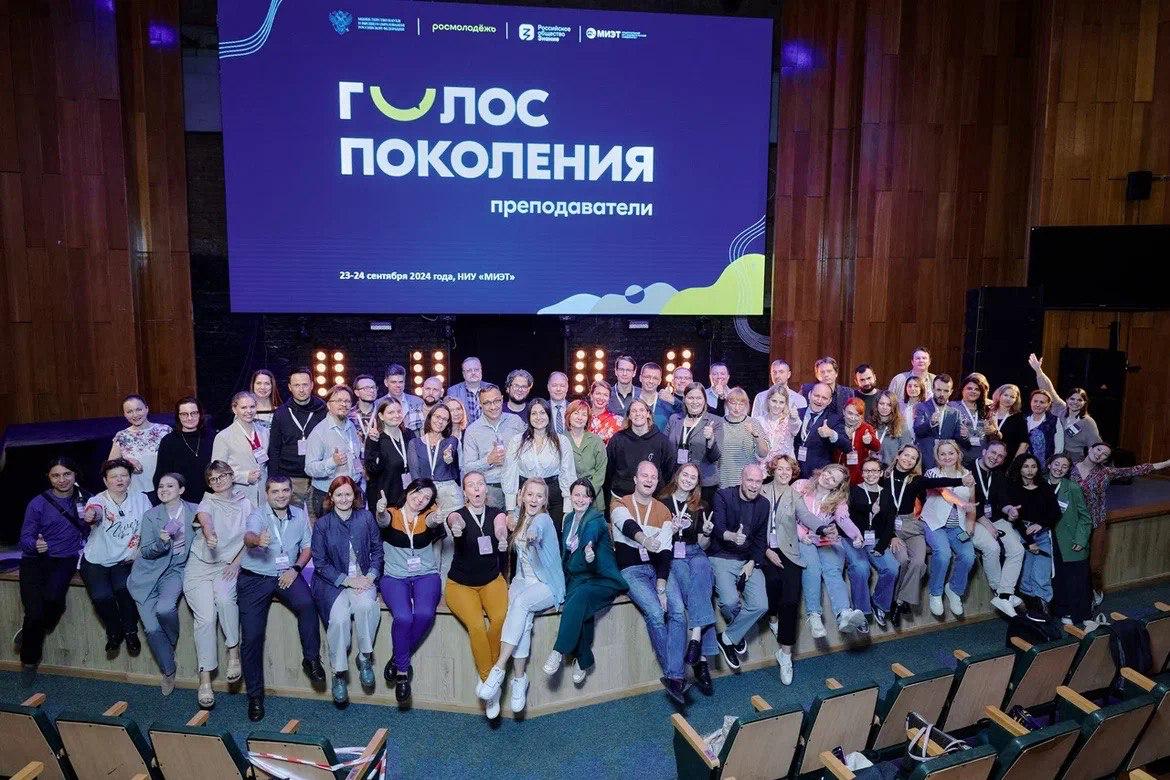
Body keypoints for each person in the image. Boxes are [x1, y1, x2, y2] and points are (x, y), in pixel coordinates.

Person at [238, 475, 324, 721]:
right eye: (275, 491)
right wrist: (257, 540)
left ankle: (311, 659)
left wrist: (295, 569)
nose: (281, 495)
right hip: (255, 577)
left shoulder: (299, 514)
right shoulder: (258, 515)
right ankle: (255, 696)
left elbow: (307, 548)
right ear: (267, 494)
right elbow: (248, 536)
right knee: (252, 637)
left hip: (287, 574)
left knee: (307, 604)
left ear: (290, 491)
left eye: (285, 490)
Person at [477, 479, 566, 714]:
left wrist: (533, 536)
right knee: (521, 619)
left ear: (545, 500)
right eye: (530, 494)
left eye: (539, 496)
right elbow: (512, 521)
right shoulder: (518, 516)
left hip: (547, 584)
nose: (534, 500)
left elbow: (537, 531)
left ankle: (498, 668)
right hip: (522, 580)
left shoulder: (543, 520)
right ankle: (519, 679)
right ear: (522, 496)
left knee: (521, 603)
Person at [611, 462, 688, 704]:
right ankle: (676, 675)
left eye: (653, 477)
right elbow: (627, 526)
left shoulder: (663, 510)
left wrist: (662, 586)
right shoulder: (620, 503)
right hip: (631, 570)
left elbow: (664, 552)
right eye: (644, 475)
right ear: (635, 479)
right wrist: (644, 540)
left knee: (678, 611)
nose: (649, 480)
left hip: (657, 570)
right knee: (655, 612)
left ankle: (673, 677)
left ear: (657, 482)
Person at [544, 479, 628, 686]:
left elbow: (590, 536)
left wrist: (588, 549)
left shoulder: (595, 519)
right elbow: (565, 552)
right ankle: (584, 659)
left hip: (602, 578)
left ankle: (558, 651)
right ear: (570, 496)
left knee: (580, 597)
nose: (580, 499)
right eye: (577, 495)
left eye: (585, 496)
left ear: (591, 499)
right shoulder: (568, 518)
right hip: (578, 577)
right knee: (580, 607)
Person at [16, 457, 90, 684]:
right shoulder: (38, 503)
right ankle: (29, 662)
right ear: (49, 478)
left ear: (75, 475)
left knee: (53, 601)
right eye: (56, 475)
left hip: (65, 560)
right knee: (34, 612)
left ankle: (30, 631)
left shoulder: (87, 499)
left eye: (67, 474)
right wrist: (34, 544)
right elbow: (25, 538)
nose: (62, 479)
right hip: (35, 561)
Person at [311, 476, 383, 707]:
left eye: (348, 494)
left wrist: (370, 576)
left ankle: (364, 657)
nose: (344, 499)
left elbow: (377, 551)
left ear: (355, 496)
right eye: (339, 494)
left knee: (367, 607)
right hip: (332, 583)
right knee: (339, 620)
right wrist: (348, 581)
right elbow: (320, 563)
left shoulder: (366, 518)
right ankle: (338, 672)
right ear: (331, 497)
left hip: (363, 578)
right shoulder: (323, 524)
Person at [185, 459, 251, 708]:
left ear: (231, 476)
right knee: (205, 619)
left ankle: (234, 653)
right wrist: (210, 534)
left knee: (225, 600)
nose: (218, 481)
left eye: (222, 476)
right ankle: (204, 681)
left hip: (226, 566)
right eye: (212, 479)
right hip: (200, 566)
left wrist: (237, 563)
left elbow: (251, 537)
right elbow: (205, 519)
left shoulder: (246, 503)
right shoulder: (208, 501)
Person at [445, 471, 510, 719]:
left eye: (480, 484)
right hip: (460, 585)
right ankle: (490, 684)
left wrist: (502, 537)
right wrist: (457, 527)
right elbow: (454, 521)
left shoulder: (496, 513)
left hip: (492, 580)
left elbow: (500, 527)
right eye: (470, 485)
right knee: (476, 626)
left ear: (486, 489)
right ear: (465, 492)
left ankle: (491, 676)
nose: (476, 488)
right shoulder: (458, 515)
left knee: (500, 619)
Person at [1072, 442, 1170, 606]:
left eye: (1104, 454)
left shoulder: (1106, 472)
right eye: (1098, 449)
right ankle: (1074, 597)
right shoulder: (1070, 468)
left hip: (1096, 522)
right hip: (1074, 524)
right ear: (1090, 449)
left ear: (1105, 460)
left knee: (1095, 565)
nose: (1099, 454)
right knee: (1074, 564)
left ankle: (1096, 590)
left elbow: (1136, 470)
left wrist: (1166, 463)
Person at [375, 478, 445, 704]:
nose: (420, 499)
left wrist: (437, 518)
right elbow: (383, 520)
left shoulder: (428, 515)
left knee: (425, 614)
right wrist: (379, 511)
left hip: (426, 575)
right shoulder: (392, 513)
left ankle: (397, 659)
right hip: (394, 577)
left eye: (427, 497)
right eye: (418, 492)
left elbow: (433, 521)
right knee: (403, 617)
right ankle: (403, 674)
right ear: (408, 490)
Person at [883, 444, 966, 627]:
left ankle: (900, 601)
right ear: (898, 455)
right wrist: (891, 535)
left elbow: (937, 482)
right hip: (890, 526)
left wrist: (961, 481)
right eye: (906, 455)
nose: (908, 460)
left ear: (916, 463)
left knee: (919, 563)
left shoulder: (916, 480)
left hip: (912, 525)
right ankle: (897, 600)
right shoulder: (884, 477)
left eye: (913, 458)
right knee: (903, 560)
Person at [128, 473, 195, 695]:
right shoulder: (151, 515)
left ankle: (169, 643)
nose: (164, 489)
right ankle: (168, 670)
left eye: (170, 486)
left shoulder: (195, 511)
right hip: (147, 573)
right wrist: (161, 542)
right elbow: (146, 551)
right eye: (160, 486)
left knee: (165, 609)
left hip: (175, 569)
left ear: (181, 490)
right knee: (151, 628)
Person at [81, 458, 149, 658]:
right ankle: (114, 630)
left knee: (124, 591)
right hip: (96, 559)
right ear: (105, 480)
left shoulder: (141, 499)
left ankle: (130, 631)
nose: (119, 480)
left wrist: (139, 551)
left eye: (123, 475)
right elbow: (94, 512)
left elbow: (148, 527)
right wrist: (91, 515)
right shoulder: (97, 501)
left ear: (130, 478)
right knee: (101, 597)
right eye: (113, 477)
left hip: (125, 559)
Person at [660, 462, 718, 693]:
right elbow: (658, 540)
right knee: (698, 590)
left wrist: (707, 533)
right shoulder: (662, 502)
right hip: (673, 555)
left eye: (693, 477)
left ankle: (695, 637)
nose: (688, 479)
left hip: (695, 552)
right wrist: (671, 530)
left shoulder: (701, 506)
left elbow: (703, 545)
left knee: (704, 568)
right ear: (677, 476)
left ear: (697, 483)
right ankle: (701, 659)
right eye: (685, 475)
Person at [709, 463, 770, 671]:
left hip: (748, 560)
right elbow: (718, 529)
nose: (754, 485)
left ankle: (726, 637)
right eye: (750, 480)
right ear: (741, 480)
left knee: (761, 605)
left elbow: (760, 539)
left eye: (758, 481)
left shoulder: (764, 504)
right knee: (729, 602)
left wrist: (752, 563)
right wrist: (733, 536)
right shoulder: (723, 496)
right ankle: (736, 633)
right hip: (722, 557)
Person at [795, 464, 869, 637]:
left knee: (833, 570)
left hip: (826, 538)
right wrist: (800, 535)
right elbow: (788, 514)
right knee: (812, 568)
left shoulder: (838, 499)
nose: (828, 478)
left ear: (837, 486)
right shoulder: (800, 485)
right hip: (803, 537)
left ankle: (844, 613)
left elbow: (843, 519)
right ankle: (814, 615)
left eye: (834, 479)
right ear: (823, 470)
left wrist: (856, 535)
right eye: (828, 472)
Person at [996, 454, 1062, 621]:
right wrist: (1029, 541)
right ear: (1019, 468)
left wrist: (1040, 524)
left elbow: (1055, 511)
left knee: (1042, 576)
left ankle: (1046, 616)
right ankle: (1030, 616)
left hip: (1041, 535)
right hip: (1021, 535)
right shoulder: (1013, 488)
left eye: (1033, 466)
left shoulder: (1044, 486)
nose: (1030, 470)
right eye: (1026, 466)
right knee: (1025, 579)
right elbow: (1014, 518)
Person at [758, 455, 805, 685]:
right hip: (763, 549)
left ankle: (785, 655)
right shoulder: (761, 490)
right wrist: (766, 550)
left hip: (789, 551)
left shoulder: (795, 495)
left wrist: (823, 528)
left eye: (788, 469)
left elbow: (806, 516)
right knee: (772, 582)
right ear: (773, 470)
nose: (784, 472)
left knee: (792, 599)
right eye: (780, 468)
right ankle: (772, 616)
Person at [920, 440, 978, 618]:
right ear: (937, 457)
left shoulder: (967, 474)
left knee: (968, 556)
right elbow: (944, 492)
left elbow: (972, 503)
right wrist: (963, 503)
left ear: (958, 454)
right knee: (943, 554)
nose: (947, 457)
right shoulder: (932, 473)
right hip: (934, 523)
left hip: (957, 526)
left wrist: (970, 526)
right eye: (942, 454)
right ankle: (936, 593)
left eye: (951, 453)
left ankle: (954, 590)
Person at [967, 440, 1025, 618]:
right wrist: (986, 524)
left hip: (995, 519)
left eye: (1000, 456)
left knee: (1017, 549)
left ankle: (1005, 593)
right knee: (992, 547)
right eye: (993, 453)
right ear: (984, 451)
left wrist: (1010, 510)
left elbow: (1003, 502)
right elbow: (967, 504)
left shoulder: (999, 475)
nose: (995, 458)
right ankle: (1000, 593)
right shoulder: (967, 470)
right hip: (971, 519)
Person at [503, 399, 576, 533]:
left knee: (552, 539)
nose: (538, 417)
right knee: (525, 538)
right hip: (526, 497)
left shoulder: (562, 441)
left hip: (554, 497)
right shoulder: (517, 441)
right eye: (534, 413)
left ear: (549, 415)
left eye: (542, 413)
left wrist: (567, 510)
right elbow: (510, 475)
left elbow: (568, 475)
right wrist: (511, 511)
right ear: (529, 417)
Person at [407, 404, 463, 574]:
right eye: (437, 417)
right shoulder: (415, 443)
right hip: (426, 493)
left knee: (451, 542)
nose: (440, 421)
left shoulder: (451, 441)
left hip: (449, 493)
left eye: (445, 419)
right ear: (430, 418)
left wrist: (448, 459)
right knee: (432, 541)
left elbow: (452, 464)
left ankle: (446, 583)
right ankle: (431, 581)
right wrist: (423, 496)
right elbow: (415, 474)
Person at [847, 458, 902, 629]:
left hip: (876, 540)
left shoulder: (887, 494)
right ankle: (861, 612)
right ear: (862, 473)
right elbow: (854, 508)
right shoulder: (853, 490)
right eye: (867, 471)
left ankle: (879, 603)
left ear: (880, 473)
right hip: (853, 539)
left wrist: (881, 546)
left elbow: (889, 524)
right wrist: (870, 508)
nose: (870, 474)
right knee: (861, 569)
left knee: (892, 568)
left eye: (874, 471)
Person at [267, 367, 326, 519]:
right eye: (297, 385)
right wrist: (273, 480)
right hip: (291, 478)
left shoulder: (323, 410)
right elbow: (274, 448)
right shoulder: (281, 413)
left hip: (319, 478)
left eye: (305, 385)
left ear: (312, 385)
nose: (301, 389)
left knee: (318, 522)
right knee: (291, 521)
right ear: (290, 387)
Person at [1046, 455, 1093, 626]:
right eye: (1056, 464)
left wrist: (1081, 540)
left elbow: (1085, 518)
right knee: (1057, 576)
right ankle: (1062, 610)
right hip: (1047, 538)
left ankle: (1080, 614)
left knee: (1075, 578)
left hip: (1069, 538)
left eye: (1064, 466)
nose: (1059, 468)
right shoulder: (1040, 484)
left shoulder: (1072, 487)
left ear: (1068, 470)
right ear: (1049, 465)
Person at [462, 385, 526, 509]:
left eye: (496, 401)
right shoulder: (472, 431)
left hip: (517, 486)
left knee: (518, 521)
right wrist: (489, 460)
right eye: (487, 403)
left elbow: (529, 448)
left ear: (502, 399)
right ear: (480, 404)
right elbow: (468, 468)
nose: (493, 407)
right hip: (490, 492)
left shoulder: (516, 421)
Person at [1029, 353, 1101, 462]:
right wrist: (1038, 371)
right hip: (1054, 456)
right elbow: (1049, 390)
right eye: (1072, 399)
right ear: (1067, 400)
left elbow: (1096, 446)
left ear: (1085, 402)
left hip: (1074, 460)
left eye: (1079, 400)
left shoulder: (1088, 422)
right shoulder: (1060, 409)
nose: (1075, 402)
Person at [305, 384, 365, 515]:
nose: (343, 404)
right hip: (327, 495)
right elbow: (309, 468)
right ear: (328, 405)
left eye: (347, 401)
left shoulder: (351, 427)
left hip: (351, 492)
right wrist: (332, 462)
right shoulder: (319, 432)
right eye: (338, 400)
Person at [665, 383, 723, 507]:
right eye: (691, 398)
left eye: (699, 398)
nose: (695, 402)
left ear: (705, 400)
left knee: (700, 518)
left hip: (704, 483)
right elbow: (664, 448)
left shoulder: (715, 421)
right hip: (676, 481)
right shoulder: (674, 419)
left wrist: (711, 439)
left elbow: (715, 457)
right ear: (684, 399)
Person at [605, 399, 674, 499]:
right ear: (629, 416)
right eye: (634, 411)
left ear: (648, 414)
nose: (638, 414)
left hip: (652, 498)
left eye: (642, 410)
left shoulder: (662, 441)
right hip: (621, 497)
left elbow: (668, 471)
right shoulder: (617, 439)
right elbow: (609, 470)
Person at [211, 390, 269, 508]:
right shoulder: (223, 436)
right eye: (243, 407)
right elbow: (217, 471)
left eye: (252, 407)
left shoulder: (265, 432)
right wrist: (244, 477)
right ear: (234, 409)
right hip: (238, 495)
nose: (249, 411)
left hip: (263, 495)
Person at [108, 394, 172, 497]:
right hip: (136, 494)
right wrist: (126, 462)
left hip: (165, 491)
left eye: (139, 409)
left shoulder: (165, 430)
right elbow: (110, 465)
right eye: (129, 412)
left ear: (147, 409)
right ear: (124, 414)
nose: (135, 415)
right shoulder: (122, 436)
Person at [154, 396, 215, 503]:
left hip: (211, 499)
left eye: (194, 413)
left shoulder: (212, 437)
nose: (190, 418)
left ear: (200, 414)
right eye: (184, 414)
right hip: (180, 502)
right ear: (178, 416)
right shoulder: (169, 441)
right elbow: (161, 476)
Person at [363, 397, 415, 512]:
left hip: (409, 497)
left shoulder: (409, 435)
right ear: (381, 416)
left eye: (399, 411)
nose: (396, 415)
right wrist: (374, 443)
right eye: (391, 412)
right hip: (385, 499)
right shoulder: (375, 438)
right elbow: (372, 470)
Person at [794, 383, 851, 473]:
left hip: (818, 474)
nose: (819, 401)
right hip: (793, 472)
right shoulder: (796, 414)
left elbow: (847, 446)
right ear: (809, 395)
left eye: (824, 398)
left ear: (829, 401)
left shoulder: (834, 419)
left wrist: (832, 434)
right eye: (816, 396)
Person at [913, 375, 967, 471]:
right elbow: (918, 430)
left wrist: (964, 436)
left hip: (946, 463)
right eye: (938, 390)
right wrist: (931, 423)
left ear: (951, 392)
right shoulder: (921, 407)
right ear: (933, 389)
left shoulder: (955, 413)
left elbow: (959, 440)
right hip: (925, 461)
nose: (942, 394)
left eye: (946, 391)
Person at [719, 388, 770, 488]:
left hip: (747, 482)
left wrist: (755, 435)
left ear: (746, 405)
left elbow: (763, 453)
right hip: (723, 480)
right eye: (733, 403)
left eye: (741, 404)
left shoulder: (753, 423)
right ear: (727, 404)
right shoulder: (719, 423)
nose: (737, 408)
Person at [564, 399, 607, 512]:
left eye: (584, 414)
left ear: (588, 418)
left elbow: (601, 469)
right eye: (576, 413)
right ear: (568, 416)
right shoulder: (561, 440)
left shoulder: (596, 440)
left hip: (594, 498)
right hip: (568, 498)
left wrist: (588, 492)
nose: (580, 417)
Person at [952, 374, 996, 469]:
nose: (973, 391)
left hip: (981, 458)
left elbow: (995, 437)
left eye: (977, 389)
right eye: (969, 388)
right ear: (962, 389)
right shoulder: (952, 406)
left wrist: (993, 431)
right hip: (959, 457)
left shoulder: (986, 409)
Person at [840, 398, 880, 484]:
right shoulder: (837, 425)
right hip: (837, 472)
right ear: (843, 411)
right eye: (850, 413)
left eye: (857, 415)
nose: (853, 418)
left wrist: (870, 440)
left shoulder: (866, 428)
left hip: (857, 476)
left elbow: (877, 447)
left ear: (861, 416)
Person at [869, 391, 914, 467]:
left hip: (891, 470)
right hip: (870, 470)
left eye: (889, 405)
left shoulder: (901, 426)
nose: (884, 407)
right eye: (881, 403)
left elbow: (907, 451)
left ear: (894, 407)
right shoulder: (869, 424)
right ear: (876, 405)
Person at [378, 363, 426, 432]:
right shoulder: (378, 404)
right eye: (393, 382)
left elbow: (424, 428)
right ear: (386, 382)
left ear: (404, 382)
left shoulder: (418, 402)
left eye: (400, 382)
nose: (398, 385)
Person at [1022, 389, 1063, 470]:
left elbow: (1059, 448)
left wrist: (1052, 465)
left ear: (1048, 405)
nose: (1037, 404)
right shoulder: (1023, 418)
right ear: (1031, 402)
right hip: (1023, 464)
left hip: (1044, 467)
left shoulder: (1054, 421)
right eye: (1035, 401)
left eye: (1042, 402)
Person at [754, 386, 796, 463]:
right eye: (774, 401)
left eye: (781, 402)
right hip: (762, 466)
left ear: (786, 404)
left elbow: (795, 429)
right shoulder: (758, 421)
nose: (777, 406)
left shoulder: (790, 421)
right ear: (768, 400)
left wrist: (793, 418)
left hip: (784, 467)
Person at [990, 384, 1027, 461]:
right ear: (999, 395)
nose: (1008, 399)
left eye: (1012, 397)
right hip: (987, 456)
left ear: (1016, 400)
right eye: (1005, 395)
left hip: (1008, 460)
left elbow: (1024, 444)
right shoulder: (989, 412)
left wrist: (1015, 463)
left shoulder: (1019, 418)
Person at [447, 356, 490, 425]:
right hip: (464, 430)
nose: (473, 373)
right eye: (469, 370)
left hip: (487, 430)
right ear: (463, 374)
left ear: (481, 371)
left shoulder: (491, 388)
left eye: (476, 369)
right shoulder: (453, 391)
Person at [637, 362, 673, 431]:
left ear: (660, 381)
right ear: (640, 378)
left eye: (655, 378)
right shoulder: (632, 402)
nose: (651, 381)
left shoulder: (668, 405)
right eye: (647, 377)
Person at [350, 374, 380, 440]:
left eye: (373, 387)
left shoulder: (382, 413)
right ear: (357, 393)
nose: (372, 391)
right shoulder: (348, 415)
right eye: (366, 388)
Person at [250, 369, 281, 433]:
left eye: (267, 383)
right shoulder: (243, 412)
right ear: (253, 385)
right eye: (258, 383)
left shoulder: (281, 412)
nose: (262, 387)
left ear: (272, 386)